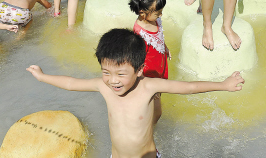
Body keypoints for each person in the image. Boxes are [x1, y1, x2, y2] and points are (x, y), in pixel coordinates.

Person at [26, 28, 245, 158]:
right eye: (106, 72)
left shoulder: (149, 86)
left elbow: (188, 87)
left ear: (139, 70)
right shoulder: (104, 86)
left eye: (120, 74)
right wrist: (43, 76)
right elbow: (72, 83)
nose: (113, 80)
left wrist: (223, 84)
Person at [128, 0, 171, 124]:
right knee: (154, 111)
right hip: (148, 74)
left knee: (155, 106)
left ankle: (148, 128)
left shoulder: (154, 20)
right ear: (142, 13)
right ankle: (146, 132)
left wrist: (164, 48)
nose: (161, 15)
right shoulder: (139, 34)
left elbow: (159, 37)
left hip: (159, 65)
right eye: (158, 13)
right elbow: (135, 60)